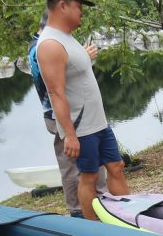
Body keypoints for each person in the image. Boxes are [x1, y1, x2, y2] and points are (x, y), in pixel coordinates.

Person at [36, 0, 130, 221]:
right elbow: (56, 93)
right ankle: (95, 229)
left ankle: (127, 218)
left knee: (116, 167)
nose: (82, 13)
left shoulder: (67, 37)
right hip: (82, 128)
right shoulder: (50, 44)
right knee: (88, 177)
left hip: (98, 123)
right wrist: (69, 134)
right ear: (63, 6)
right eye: (79, 7)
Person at [28, 11, 107, 217]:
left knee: (91, 161)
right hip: (60, 116)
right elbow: (53, 85)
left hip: (80, 113)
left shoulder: (55, 43)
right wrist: (85, 58)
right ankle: (78, 211)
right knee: (71, 164)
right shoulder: (40, 48)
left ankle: (99, 204)